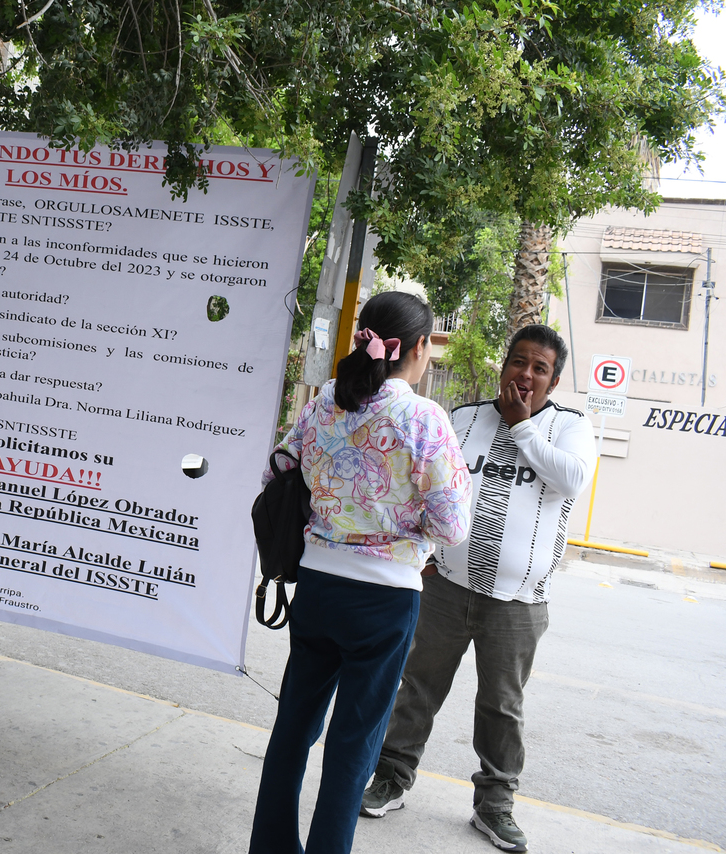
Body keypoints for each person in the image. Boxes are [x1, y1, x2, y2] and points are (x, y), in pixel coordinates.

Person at [249, 291, 473, 854]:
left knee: (294, 726)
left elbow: (278, 468)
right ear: (419, 347)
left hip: (318, 585)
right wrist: (401, 521)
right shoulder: (423, 417)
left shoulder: (327, 400)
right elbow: (452, 525)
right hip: (385, 599)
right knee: (355, 743)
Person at [360, 324, 593, 852]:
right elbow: (422, 484)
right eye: (519, 362)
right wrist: (421, 552)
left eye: (539, 369)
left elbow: (572, 481)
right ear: (504, 365)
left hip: (518, 602)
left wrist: (523, 427)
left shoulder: (569, 427)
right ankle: (391, 778)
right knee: (417, 687)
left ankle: (494, 805)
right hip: (445, 586)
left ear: (553, 382)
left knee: (502, 706)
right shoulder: (462, 420)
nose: (526, 375)